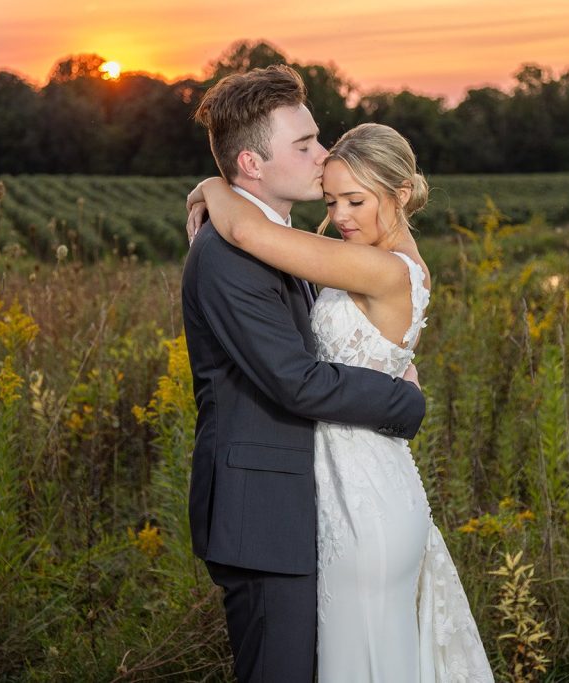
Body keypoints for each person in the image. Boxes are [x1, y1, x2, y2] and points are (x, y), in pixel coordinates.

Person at [187, 122, 495, 681]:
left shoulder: (381, 267)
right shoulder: (359, 256)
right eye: (331, 201)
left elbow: (251, 235)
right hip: (349, 482)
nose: (342, 216)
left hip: (366, 498)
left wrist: (212, 186)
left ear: (401, 195)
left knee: (362, 657)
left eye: (356, 200)